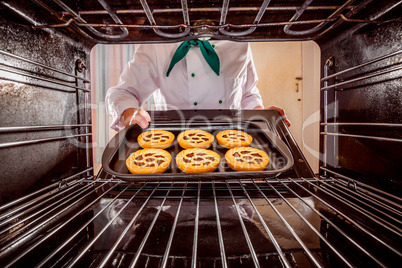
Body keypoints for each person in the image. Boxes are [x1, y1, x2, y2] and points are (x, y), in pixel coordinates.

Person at [105, 40, 291, 131]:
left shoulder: (239, 43)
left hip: (232, 144)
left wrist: (262, 114)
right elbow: (122, 93)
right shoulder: (156, 46)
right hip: (172, 150)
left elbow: (248, 93)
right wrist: (130, 112)